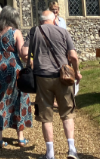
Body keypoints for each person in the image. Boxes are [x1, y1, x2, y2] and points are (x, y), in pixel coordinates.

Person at [27, 10, 81, 159]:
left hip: (42, 77)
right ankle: (71, 149)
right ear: (54, 19)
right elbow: (73, 56)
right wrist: (76, 72)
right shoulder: (63, 32)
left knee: (46, 115)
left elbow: (24, 52)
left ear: (40, 20)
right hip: (63, 77)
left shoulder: (33, 32)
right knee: (67, 113)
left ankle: (50, 154)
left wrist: (32, 62)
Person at [0, 6, 32, 148]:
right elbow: (22, 53)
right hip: (12, 68)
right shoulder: (16, 32)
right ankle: (20, 138)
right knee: (18, 99)